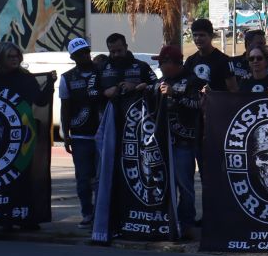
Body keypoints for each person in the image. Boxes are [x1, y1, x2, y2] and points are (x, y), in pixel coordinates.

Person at [58, 38, 102, 229]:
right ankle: (87, 213)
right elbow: (65, 107)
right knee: (83, 178)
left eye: (86, 51)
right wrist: (65, 133)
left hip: (102, 134)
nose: (85, 55)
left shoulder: (102, 72)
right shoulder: (67, 78)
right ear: (73, 57)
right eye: (80, 54)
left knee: (102, 177)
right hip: (80, 136)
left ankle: (102, 214)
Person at [157, 44, 201, 231]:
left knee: (185, 186)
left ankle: (187, 223)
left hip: (185, 143)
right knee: (165, 185)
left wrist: (175, 96)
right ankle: (170, 223)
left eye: (162, 63)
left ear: (172, 63)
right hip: (165, 142)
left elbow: (198, 105)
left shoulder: (193, 81)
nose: (160, 67)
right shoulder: (162, 80)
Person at [184, 18, 237, 92]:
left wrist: (212, 93)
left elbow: (233, 91)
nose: (197, 38)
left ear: (211, 36)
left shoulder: (225, 60)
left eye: (202, 35)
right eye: (195, 35)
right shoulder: (190, 60)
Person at [99, 33, 157, 100]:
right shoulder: (101, 68)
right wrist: (104, 92)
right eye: (113, 52)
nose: (116, 54)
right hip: (108, 108)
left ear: (126, 47)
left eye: (119, 50)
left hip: (135, 107)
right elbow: (90, 91)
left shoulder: (142, 66)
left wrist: (138, 87)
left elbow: (156, 85)